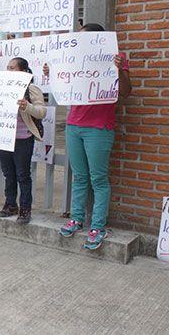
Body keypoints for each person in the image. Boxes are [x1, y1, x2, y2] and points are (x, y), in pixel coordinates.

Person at [47, 23, 131, 250]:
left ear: (97, 39)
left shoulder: (116, 57)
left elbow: (125, 91)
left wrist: (119, 69)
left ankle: (98, 227)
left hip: (99, 128)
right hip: (74, 125)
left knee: (99, 179)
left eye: (84, 39)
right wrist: (52, 73)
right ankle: (76, 218)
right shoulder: (73, 59)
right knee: (80, 177)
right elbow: (62, 85)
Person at [0, 58, 46, 224]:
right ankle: (10, 204)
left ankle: (25, 208)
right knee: (8, 173)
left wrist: (27, 106)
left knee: (23, 175)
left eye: (13, 68)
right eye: (7, 68)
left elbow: (41, 112)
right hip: (4, 137)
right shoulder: (0, 87)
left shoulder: (31, 89)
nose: (9, 71)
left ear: (24, 71)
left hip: (23, 138)